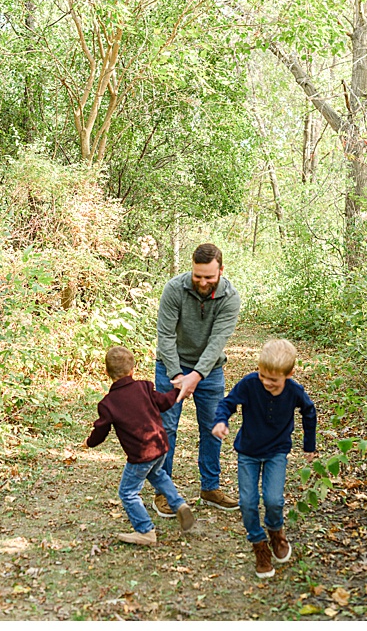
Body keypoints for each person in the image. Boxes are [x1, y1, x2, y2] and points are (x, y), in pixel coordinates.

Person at [212, 339, 317, 579]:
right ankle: (259, 546)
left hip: (276, 452)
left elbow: (309, 412)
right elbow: (227, 403)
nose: (267, 383)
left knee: (273, 499)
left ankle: (275, 532)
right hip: (248, 452)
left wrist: (309, 445)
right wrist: (221, 420)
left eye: (274, 380)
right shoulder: (250, 384)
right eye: (263, 376)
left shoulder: (294, 391)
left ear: (289, 374)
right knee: (247, 502)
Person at [153, 243, 242, 516]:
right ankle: (163, 492)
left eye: (209, 277)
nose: (203, 281)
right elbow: (165, 335)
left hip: (210, 370)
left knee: (212, 427)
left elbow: (217, 343)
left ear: (221, 271)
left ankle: (210, 488)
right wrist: (178, 376)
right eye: (198, 275)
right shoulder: (174, 289)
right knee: (166, 428)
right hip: (171, 366)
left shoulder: (230, 297)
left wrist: (196, 376)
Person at [85, 346, 196, 546]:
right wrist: (178, 390)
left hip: (141, 454)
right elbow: (163, 402)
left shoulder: (108, 404)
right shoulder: (144, 387)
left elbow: (101, 431)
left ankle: (145, 530)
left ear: (106, 373)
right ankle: (179, 504)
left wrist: (89, 443)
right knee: (157, 475)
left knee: (127, 492)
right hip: (161, 446)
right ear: (132, 370)